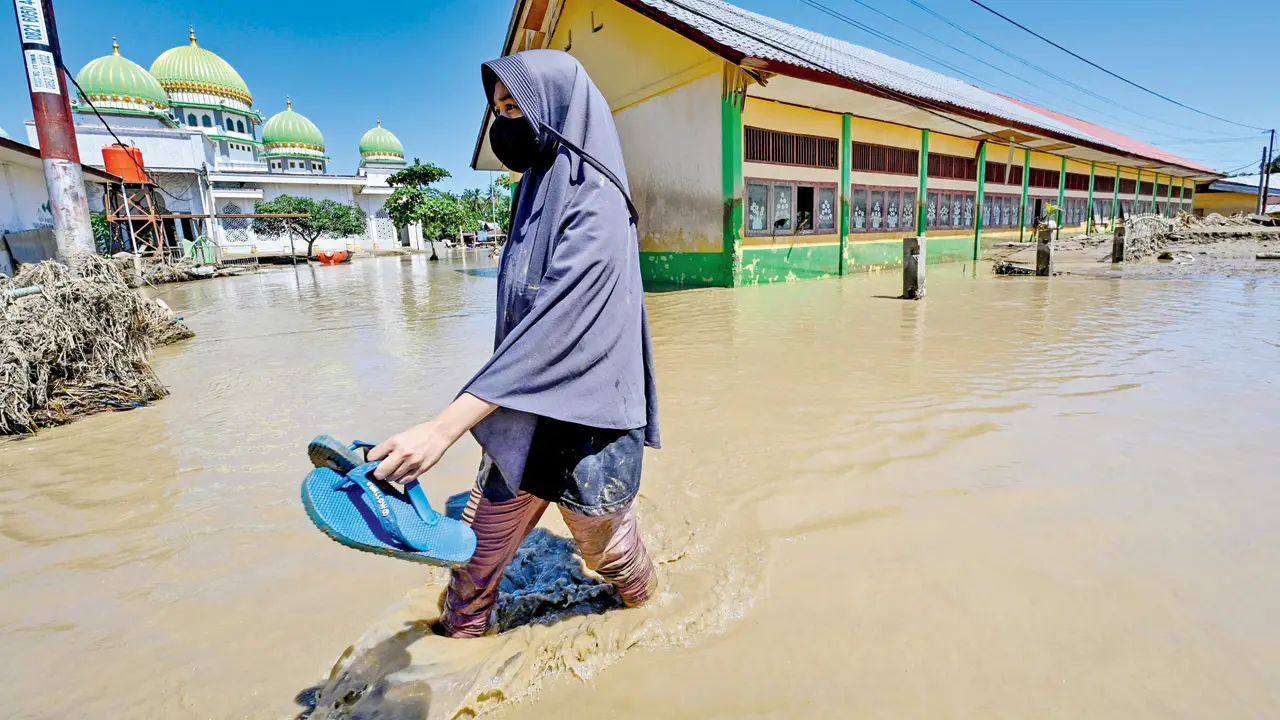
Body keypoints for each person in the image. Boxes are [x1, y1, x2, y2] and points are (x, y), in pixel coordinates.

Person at [368, 49, 660, 639]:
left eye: (517, 107)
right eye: (499, 109)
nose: (506, 123)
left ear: (557, 110)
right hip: (524, 412)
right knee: (474, 564)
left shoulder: (597, 199)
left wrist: (443, 427)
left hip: (588, 428)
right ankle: (455, 651)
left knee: (610, 559)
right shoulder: (534, 189)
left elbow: (556, 326)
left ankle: (655, 618)